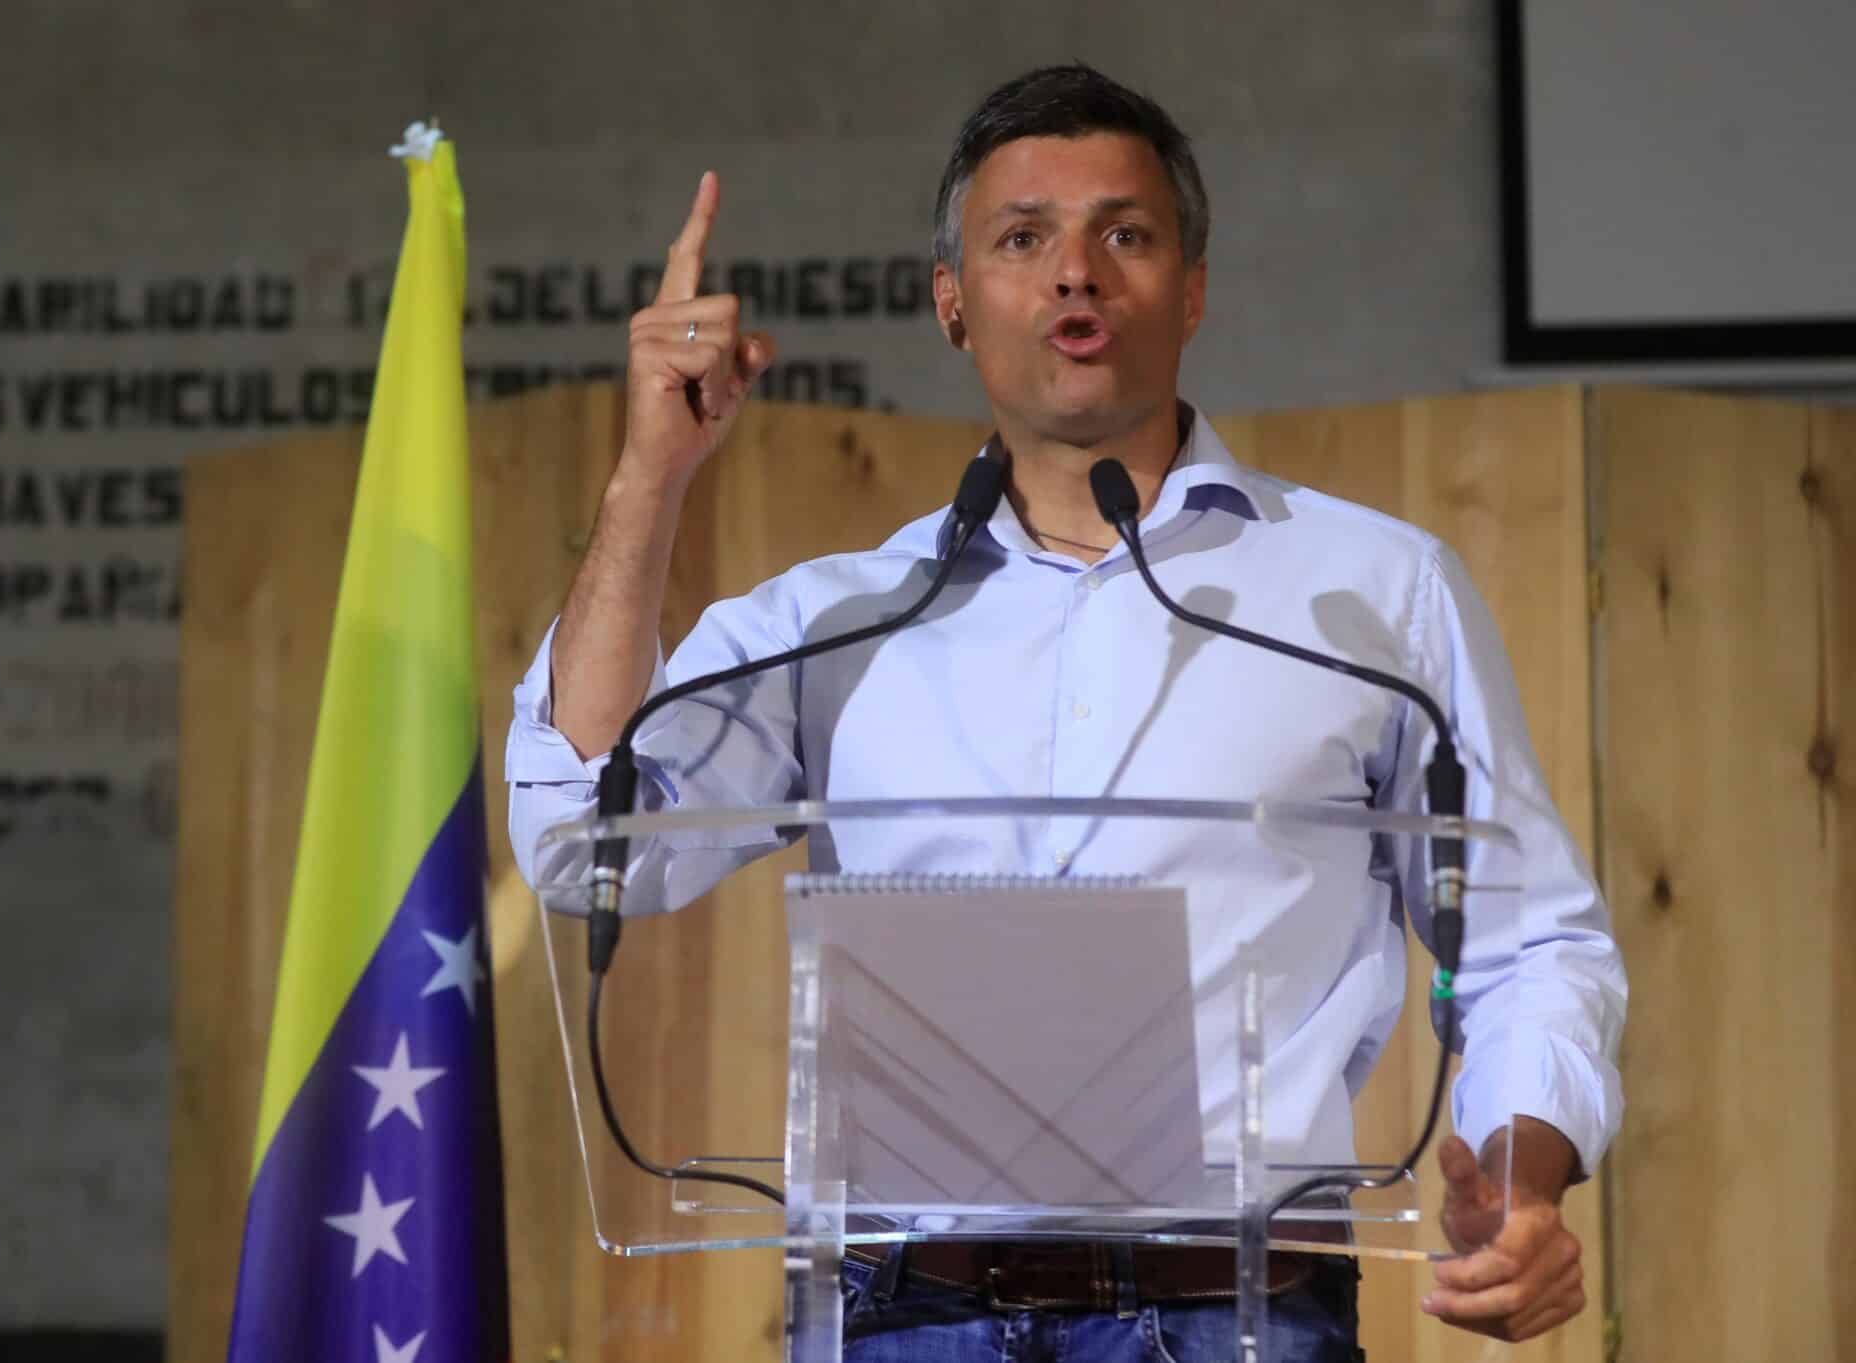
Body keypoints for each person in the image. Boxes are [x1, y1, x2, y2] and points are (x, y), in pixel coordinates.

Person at [506, 64, 1625, 1360]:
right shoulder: (840, 623)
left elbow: (1534, 944)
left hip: (1238, 1315)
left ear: (1192, 288)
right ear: (953, 304)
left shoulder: (1373, 596)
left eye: (1126, 234)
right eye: (1024, 238)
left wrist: (1525, 1180)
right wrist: (652, 476)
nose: (1077, 273)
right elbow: (583, 842)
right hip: (909, 1313)